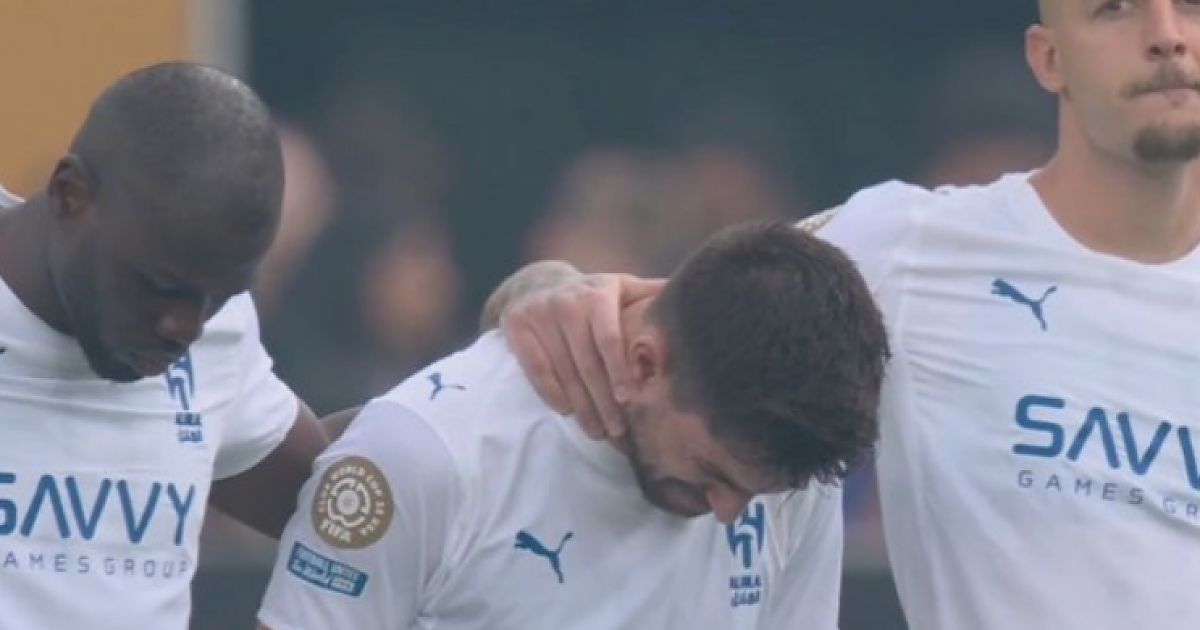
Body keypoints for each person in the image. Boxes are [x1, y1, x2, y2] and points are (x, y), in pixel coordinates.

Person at [486, 1, 1200, 628]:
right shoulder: (912, 245)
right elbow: (658, 326)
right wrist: (548, 292)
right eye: (1115, 7)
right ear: (1048, 59)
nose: (1167, 35)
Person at [254, 222, 889, 630]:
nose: (732, 513)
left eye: (759, 492)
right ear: (645, 365)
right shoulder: (426, 452)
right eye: (712, 473)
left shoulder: (788, 471)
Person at [0, 62, 330, 629]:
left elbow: (341, 497)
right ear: (70, 195)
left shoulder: (216, 336)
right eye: (160, 286)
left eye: (219, 296)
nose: (187, 328)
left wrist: (484, 390)